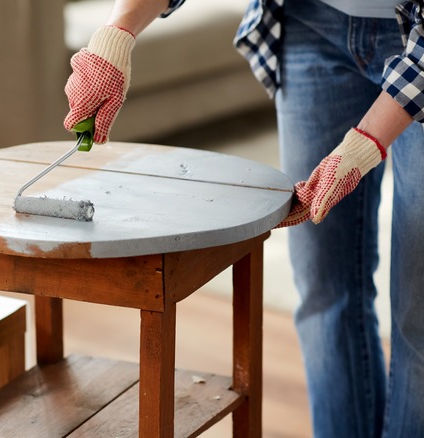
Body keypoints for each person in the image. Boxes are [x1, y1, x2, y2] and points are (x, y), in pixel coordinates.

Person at [63, 0, 424, 436]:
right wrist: (118, 31)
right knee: (323, 287)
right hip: (309, 21)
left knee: (417, 313)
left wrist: (369, 139)